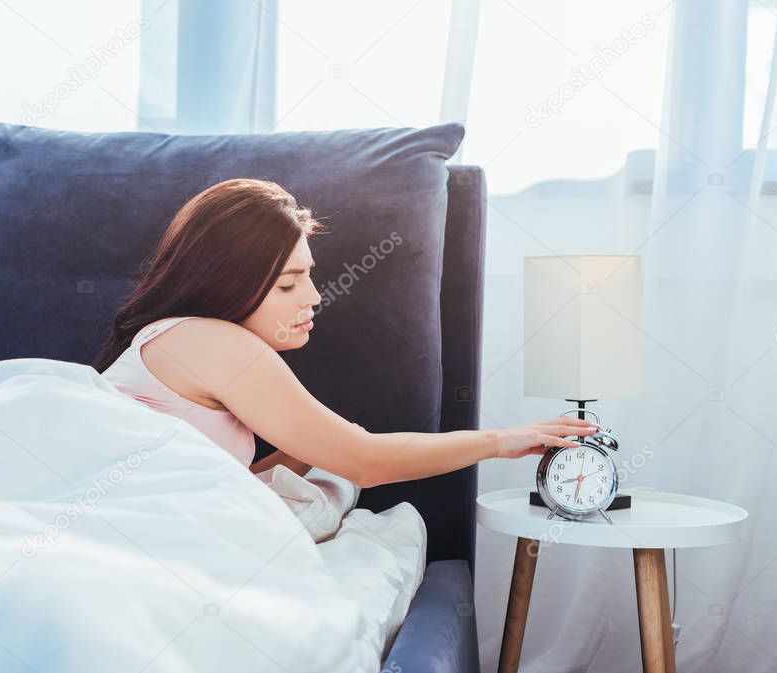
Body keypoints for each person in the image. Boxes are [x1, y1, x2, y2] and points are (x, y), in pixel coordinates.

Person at [93, 179, 597, 488]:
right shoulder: (208, 341)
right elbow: (367, 465)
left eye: (308, 275)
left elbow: (215, 491)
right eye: (289, 282)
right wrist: (503, 440)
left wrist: (305, 448)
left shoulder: (186, 344)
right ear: (228, 281)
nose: (313, 296)